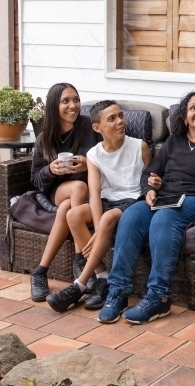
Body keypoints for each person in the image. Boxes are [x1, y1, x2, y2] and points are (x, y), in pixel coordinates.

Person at [97, 91, 195, 325]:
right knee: (132, 214)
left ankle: (159, 296)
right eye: (193, 108)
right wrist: (150, 188)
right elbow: (150, 172)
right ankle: (118, 292)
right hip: (165, 197)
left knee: (165, 218)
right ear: (184, 117)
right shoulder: (174, 141)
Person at [46, 100, 152, 313]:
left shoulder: (139, 146)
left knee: (108, 217)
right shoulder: (94, 154)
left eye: (121, 116)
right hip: (107, 200)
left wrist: (101, 228)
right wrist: (97, 229)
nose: (120, 122)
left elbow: (149, 180)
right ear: (97, 127)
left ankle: (80, 284)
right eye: (112, 119)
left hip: (134, 200)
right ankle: (102, 277)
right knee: (74, 214)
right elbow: (94, 195)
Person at [27, 83, 99, 302]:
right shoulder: (45, 136)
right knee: (76, 188)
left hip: (85, 193)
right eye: (66, 101)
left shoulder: (88, 127)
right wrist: (51, 169)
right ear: (53, 105)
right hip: (58, 191)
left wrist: (89, 164)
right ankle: (80, 259)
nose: (73, 106)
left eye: (76, 100)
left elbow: (106, 156)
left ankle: (40, 271)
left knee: (68, 207)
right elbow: (36, 181)